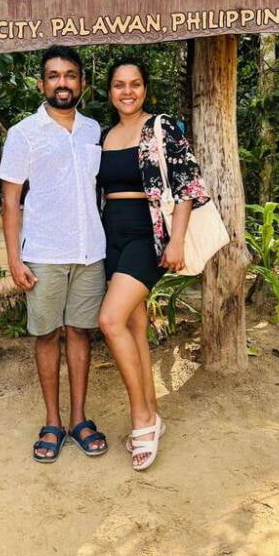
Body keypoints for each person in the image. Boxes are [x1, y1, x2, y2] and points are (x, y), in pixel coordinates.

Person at [96, 58, 209, 471]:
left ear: (145, 88)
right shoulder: (104, 136)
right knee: (134, 325)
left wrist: (176, 240)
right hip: (112, 236)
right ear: (110, 91)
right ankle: (152, 412)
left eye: (135, 84)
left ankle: (142, 416)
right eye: (120, 85)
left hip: (149, 235)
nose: (128, 91)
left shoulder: (160, 127)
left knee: (110, 320)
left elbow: (188, 187)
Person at [0, 45, 108, 463]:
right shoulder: (24, 133)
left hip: (89, 251)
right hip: (43, 252)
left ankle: (79, 419)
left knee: (80, 333)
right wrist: (14, 258)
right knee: (47, 335)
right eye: (53, 75)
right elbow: (10, 201)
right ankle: (52, 422)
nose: (62, 83)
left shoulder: (94, 129)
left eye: (70, 75)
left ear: (82, 82)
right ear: (42, 83)